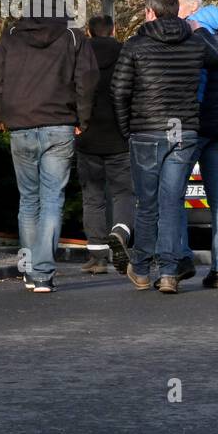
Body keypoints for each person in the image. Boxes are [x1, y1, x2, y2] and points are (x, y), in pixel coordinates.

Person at [110, 0, 218, 294]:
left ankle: (142, 268)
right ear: (177, 12)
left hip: (146, 131)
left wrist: (127, 129)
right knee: (172, 201)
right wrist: (198, 28)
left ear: (150, 12)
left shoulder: (135, 45)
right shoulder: (195, 42)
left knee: (147, 204)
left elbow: (119, 90)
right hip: (183, 130)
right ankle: (169, 273)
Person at [0, 0, 98, 294]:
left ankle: (29, 269)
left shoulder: (10, 37)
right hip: (60, 124)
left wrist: (4, 115)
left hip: (21, 125)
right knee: (52, 200)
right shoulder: (73, 37)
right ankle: (44, 274)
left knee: (29, 200)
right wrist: (82, 119)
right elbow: (87, 80)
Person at [169, 0, 218, 289]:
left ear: (193, 8)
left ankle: (181, 258)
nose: (173, 11)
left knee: (175, 193)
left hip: (193, 125)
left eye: (177, 4)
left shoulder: (190, 37)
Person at [75, 14, 133, 275]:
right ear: (115, 30)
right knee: (123, 193)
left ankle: (97, 256)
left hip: (87, 137)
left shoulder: (80, 56)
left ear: (88, 31)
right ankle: (120, 231)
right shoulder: (126, 54)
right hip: (120, 137)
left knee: (93, 197)